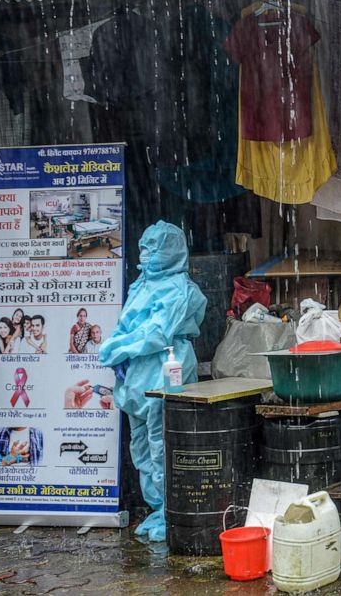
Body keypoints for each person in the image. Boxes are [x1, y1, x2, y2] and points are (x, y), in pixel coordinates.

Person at [99, 221, 207, 544]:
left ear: (170, 252)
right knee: (141, 446)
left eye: (152, 249)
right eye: (143, 249)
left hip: (164, 369)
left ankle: (172, 511)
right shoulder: (141, 285)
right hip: (135, 379)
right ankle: (156, 508)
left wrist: (119, 348)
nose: (145, 255)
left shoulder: (180, 289)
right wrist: (119, 349)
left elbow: (158, 333)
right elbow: (127, 321)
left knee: (164, 445)